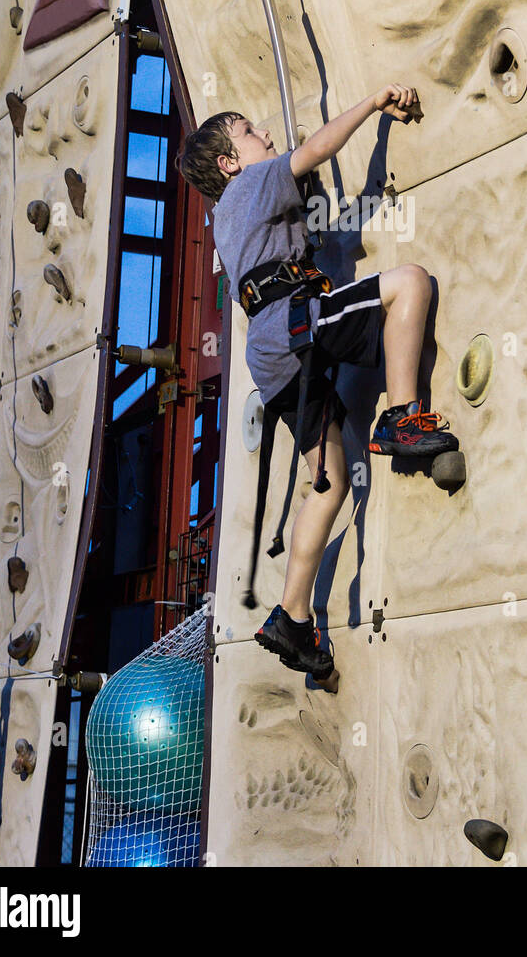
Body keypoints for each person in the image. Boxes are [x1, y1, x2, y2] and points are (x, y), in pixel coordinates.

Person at [176, 85, 458, 681]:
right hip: (295, 320)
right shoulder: (250, 185)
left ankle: (293, 617)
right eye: (252, 133)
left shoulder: (221, 220)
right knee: (409, 281)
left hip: (270, 357)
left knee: (326, 485)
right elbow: (318, 148)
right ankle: (403, 416)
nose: (267, 136)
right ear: (231, 162)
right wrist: (374, 105)